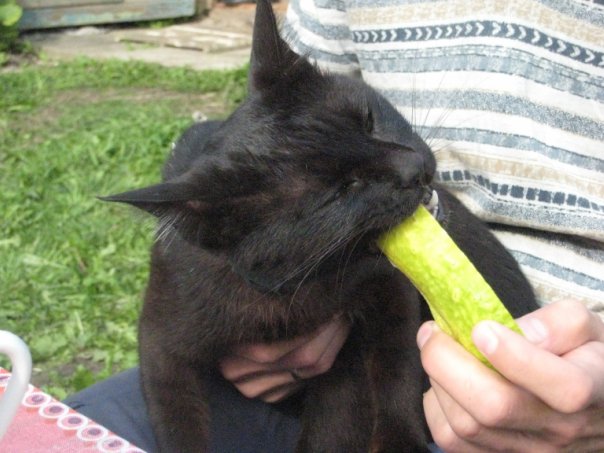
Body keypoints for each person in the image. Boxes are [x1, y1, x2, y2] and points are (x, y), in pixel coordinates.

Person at [66, 1, 604, 451]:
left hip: (551, 378)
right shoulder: (222, 256)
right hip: (300, 360)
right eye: (344, 189)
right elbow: (277, 119)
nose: (412, 163)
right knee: (63, 431)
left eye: (370, 122)